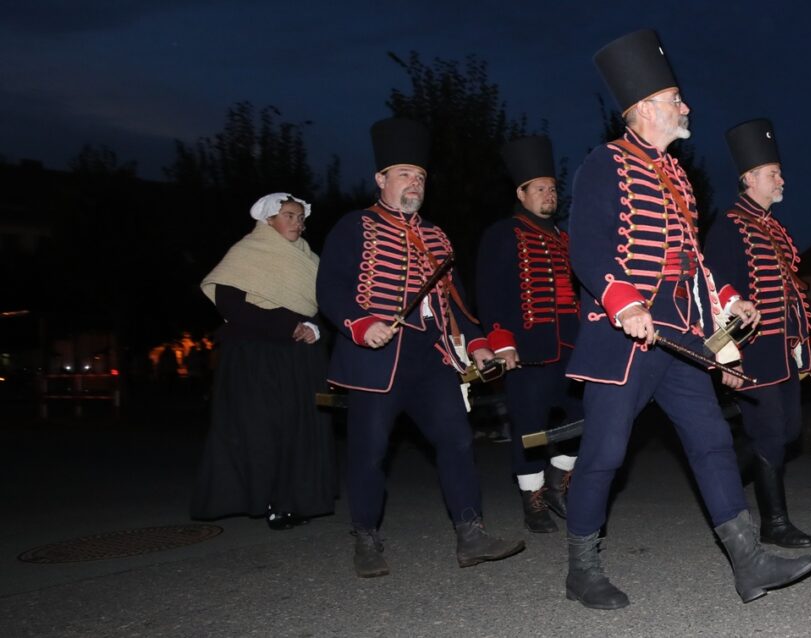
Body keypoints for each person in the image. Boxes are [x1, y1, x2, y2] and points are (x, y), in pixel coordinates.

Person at [563, 30, 811, 609]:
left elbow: (692, 260)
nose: (685, 107)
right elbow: (587, 246)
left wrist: (725, 299)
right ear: (644, 108)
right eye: (675, 99)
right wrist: (623, 301)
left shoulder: (677, 176)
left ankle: (749, 562)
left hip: (679, 336)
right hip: (623, 338)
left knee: (712, 443)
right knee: (605, 454)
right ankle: (582, 568)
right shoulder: (605, 163)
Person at [316, 118, 525, 578]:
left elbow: (457, 301)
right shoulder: (354, 226)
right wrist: (361, 324)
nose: (415, 182)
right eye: (405, 174)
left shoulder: (437, 236)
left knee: (457, 441)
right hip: (376, 359)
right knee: (370, 451)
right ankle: (366, 537)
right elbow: (329, 288)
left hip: (432, 357)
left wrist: (478, 344)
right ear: (381, 179)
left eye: (421, 176)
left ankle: (471, 534)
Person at [191, 193, 336, 530]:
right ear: (268, 219)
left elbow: (324, 306)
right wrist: (288, 325)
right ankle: (267, 500)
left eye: (300, 217)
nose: (297, 223)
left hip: (299, 358)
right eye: (289, 216)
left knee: (299, 429)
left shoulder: (310, 259)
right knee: (262, 430)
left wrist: (315, 329)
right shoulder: (246, 252)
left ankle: (293, 500)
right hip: (256, 356)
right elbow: (230, 305)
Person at [703, 118, 811, 548]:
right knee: (769, 433)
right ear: (750, 178)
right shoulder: (729, 225)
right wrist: (724, 355)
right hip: (751, 351)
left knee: (787, 432)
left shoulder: (773, 228)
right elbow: (714, 290)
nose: (781, 180)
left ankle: (721, 480)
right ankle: (775, 522)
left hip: (782, 352)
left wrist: (801, 344)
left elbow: (789, 295)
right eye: (773, 173)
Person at [476, 135, 582, 533]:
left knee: (584, 416)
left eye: (552, 188)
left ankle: (558, 481)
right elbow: (490, 292)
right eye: (539, 188)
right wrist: (501, 341)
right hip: (526, 349)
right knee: (529, 427)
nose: (548, 194)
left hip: (571, 347)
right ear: (521, 194)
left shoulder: (565, 239)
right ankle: (532, 498)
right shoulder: (503, 233)